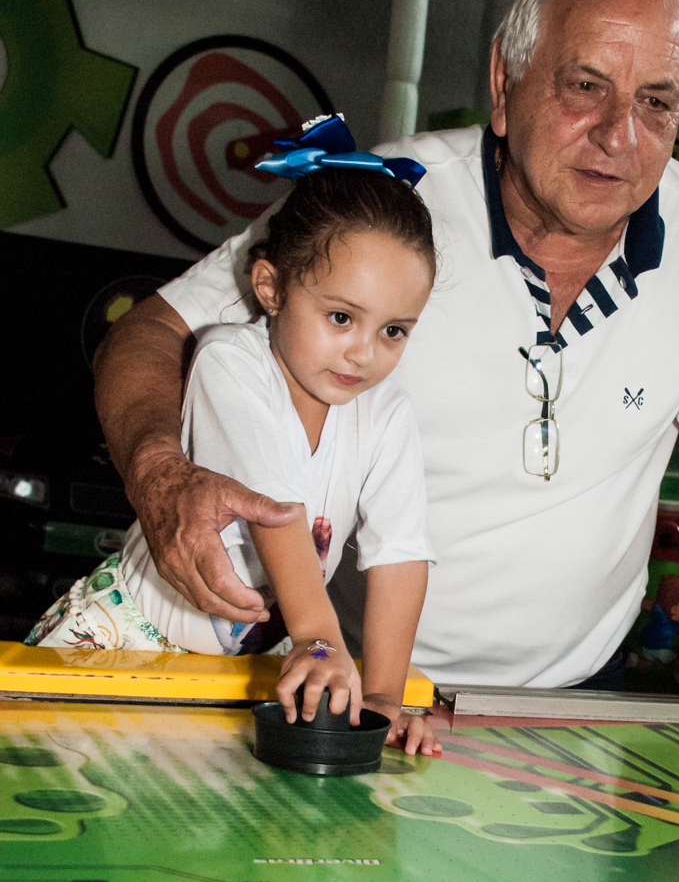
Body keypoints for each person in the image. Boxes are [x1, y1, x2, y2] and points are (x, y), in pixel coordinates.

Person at [94, 0, 679, 694]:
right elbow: (152, 333)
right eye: (585, 85)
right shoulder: (378, 201)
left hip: (579, 705)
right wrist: (159, 475)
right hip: (347, 679)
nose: (617, 136)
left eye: (655, 102)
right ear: (503, 81)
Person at [30, 136, 441, 754]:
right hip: (124, 645)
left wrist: (383, 697)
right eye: (340, 318)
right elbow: (273, 509)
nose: (364, 352)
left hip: (241, 671)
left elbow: (400, 555)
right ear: (271, 288)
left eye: (393, 330)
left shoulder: (388, 413)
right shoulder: (228, 358)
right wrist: (322, 640)